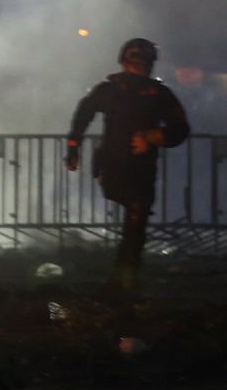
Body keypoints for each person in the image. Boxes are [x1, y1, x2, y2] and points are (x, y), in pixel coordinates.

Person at [65, 37, 190, 296]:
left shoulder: (159, 94)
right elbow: (84, 114)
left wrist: (154, 136)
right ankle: (123, 280)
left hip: (143, 167)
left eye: (144, 64)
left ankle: (125, 280)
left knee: (137, 219)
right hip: (112, 163)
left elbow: (180, 129)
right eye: (135, 63)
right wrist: (73, 147)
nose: (139, 68)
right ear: (123, 62)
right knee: (135, 211)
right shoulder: (110, 90)